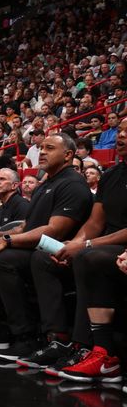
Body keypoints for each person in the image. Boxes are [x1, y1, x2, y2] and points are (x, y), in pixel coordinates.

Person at [0, 133, 93, 361]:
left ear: (68, 155)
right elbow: (27, 226)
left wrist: (5, 241)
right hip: (37, 248)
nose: (42, 151)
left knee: (2, 259)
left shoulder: (72, 185)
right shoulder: (46, 184)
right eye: (41, 147)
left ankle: (32, 336)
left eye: (49, 148)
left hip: (61, 252)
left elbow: (54, 230)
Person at [51, 117, 127, 381]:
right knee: (66, 256)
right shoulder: (113, 175)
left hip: (114, 246)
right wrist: (73, 244)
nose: (122, 136)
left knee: (89, 256)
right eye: (121, 131)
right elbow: (95, 222)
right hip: (109, 245)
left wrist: (86, 244)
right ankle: (94, 351)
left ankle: (94, 348)